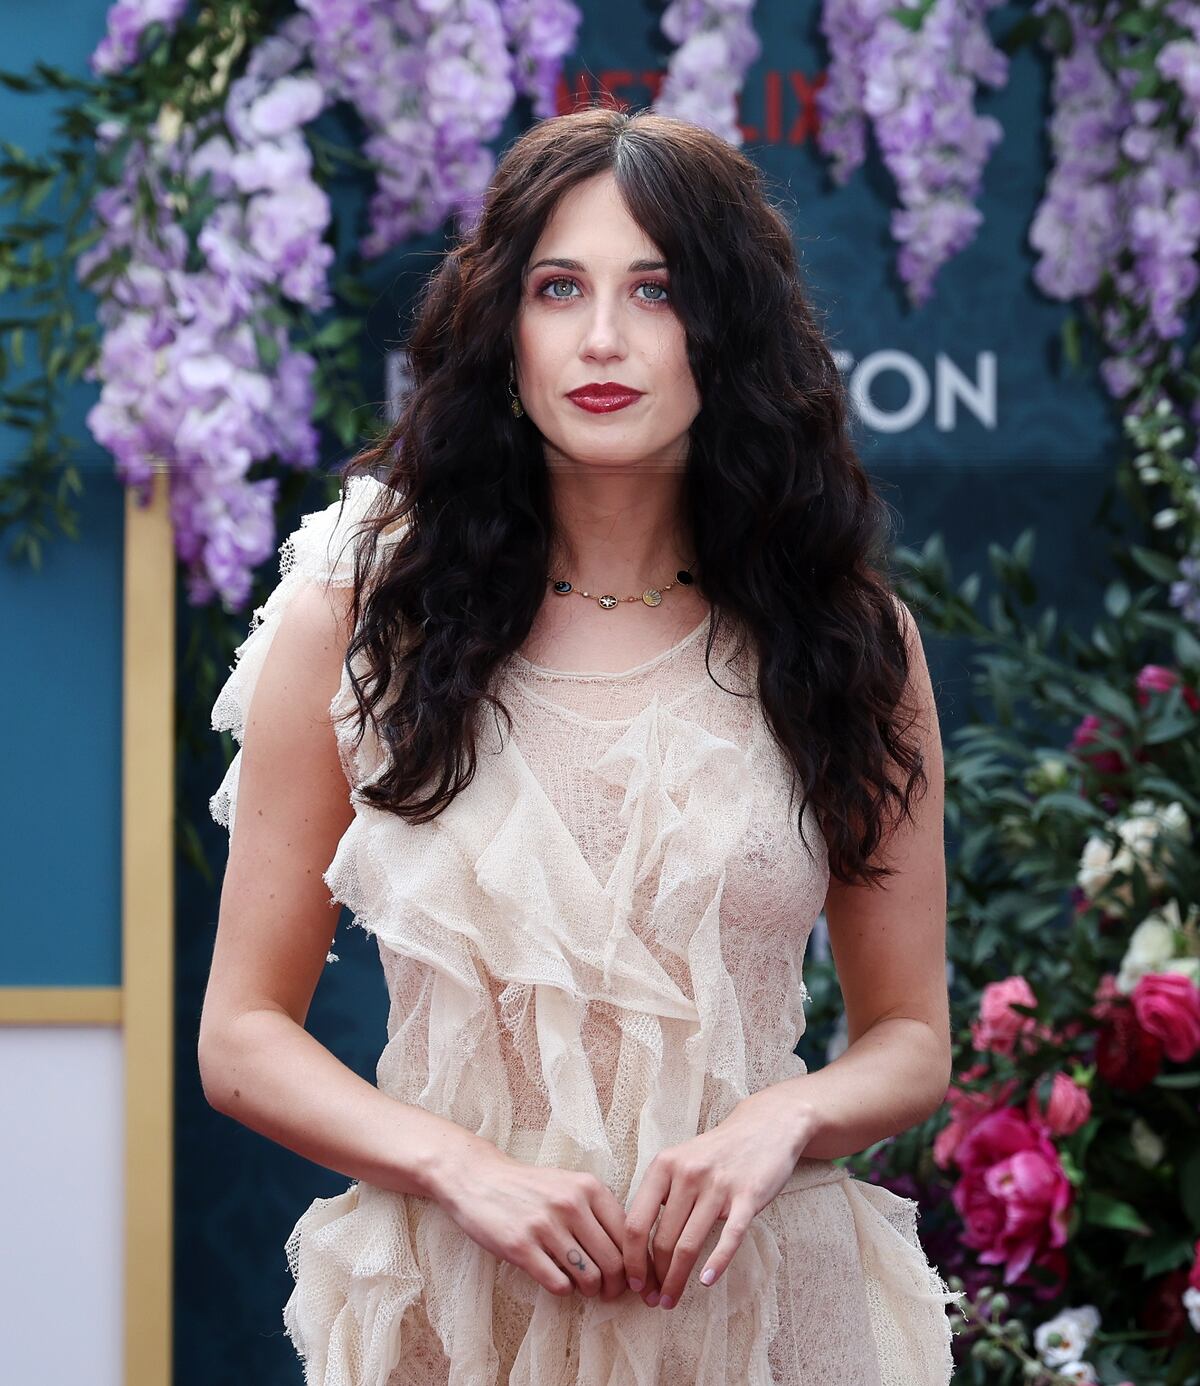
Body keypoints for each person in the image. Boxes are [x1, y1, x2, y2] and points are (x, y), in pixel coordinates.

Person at [200, 105, 964, 1385]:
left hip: (761, 1310)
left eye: (655, 291)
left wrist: (784, 1120)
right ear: (505, 330)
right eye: (560, 288)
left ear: (727, 334)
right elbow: (240, 1037)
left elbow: (910, 1037)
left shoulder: (845, 636)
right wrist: (461, 1169)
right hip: (458, 1312)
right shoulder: (359, 613)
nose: (602, 338)